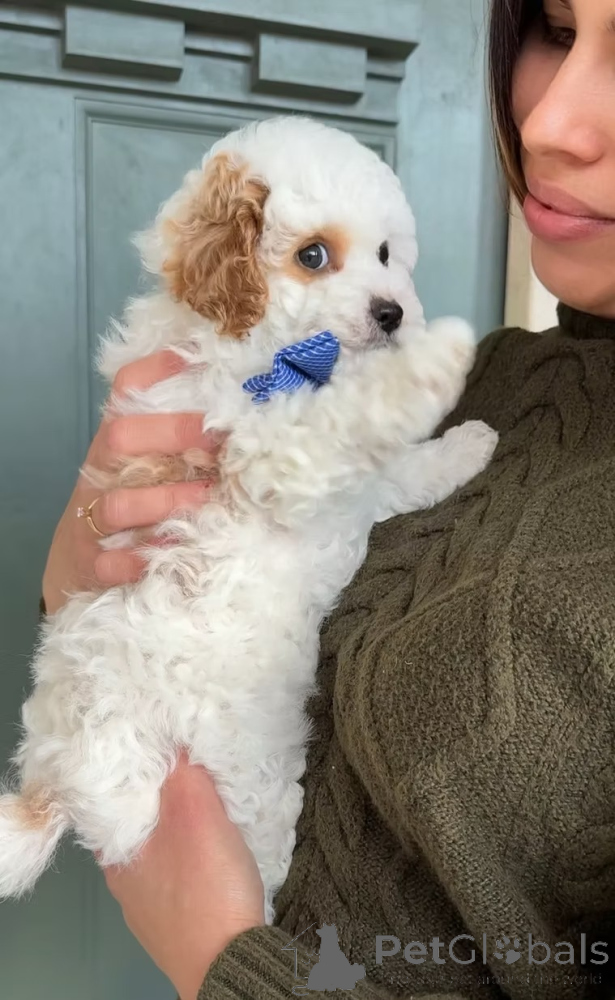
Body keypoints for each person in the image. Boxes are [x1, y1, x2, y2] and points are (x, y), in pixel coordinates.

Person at [40, 0, 615, 997]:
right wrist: (86, 567)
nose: (548, 123)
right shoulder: (480, 380)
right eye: (557, 31)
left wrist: (227, 961)